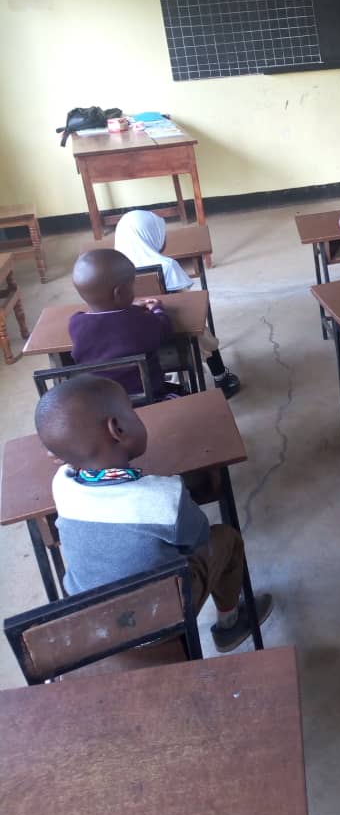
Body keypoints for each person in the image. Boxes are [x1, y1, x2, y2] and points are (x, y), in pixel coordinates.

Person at [35, 374, 273, 651]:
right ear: (117, 430)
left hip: (93, 624)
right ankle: (230, 623)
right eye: (132, 412)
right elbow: (197, 539)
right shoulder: (163, 498)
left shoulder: (61, 485)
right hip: (160, 622)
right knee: (226, 538)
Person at [114, 209, 240, 398]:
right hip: (172, 335)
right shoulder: (166, 266)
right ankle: (221, 378)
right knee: (201, 331)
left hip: (133, 335)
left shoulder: (113, 270)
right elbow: (188, 302)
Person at [69, 248, 175, 402]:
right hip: (150, 399)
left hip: (105, 404)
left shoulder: (76, 323)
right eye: (132, 287)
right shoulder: (139, 321)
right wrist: (157, 309)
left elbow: (107, 321)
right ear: (118, 293)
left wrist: (131, 307)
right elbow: (164, 329)